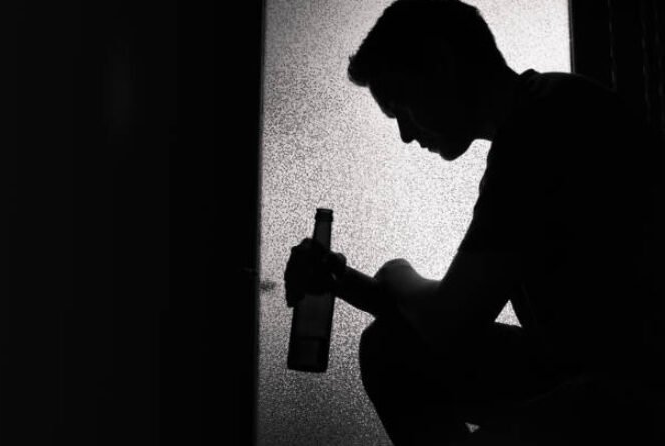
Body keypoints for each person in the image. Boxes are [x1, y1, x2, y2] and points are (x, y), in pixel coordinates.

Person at [284, 0, 664, 444]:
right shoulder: (544, 109)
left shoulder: (536, 131)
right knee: (392, 347)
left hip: (634, 393)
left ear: (441, 65)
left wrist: (396, 271)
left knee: (394, 351)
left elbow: (449, 322)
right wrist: (341, 280)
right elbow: (447, 318)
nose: (406, 135)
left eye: (400, 106)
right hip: (594, 374)